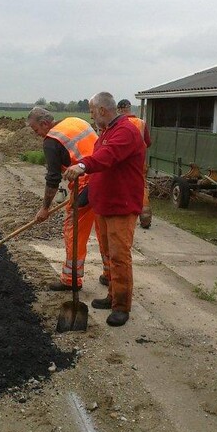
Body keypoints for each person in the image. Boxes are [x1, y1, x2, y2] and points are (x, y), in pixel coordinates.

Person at [64, 92, 145, 327]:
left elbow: (107, 158)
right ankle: (112, 295)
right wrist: (88, 192)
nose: (91, 116)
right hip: (105, 203)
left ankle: (122, 306)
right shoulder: (107, 132)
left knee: (120, 257)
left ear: (101, 110)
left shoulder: (125, 131)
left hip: (121, 205)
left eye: (91, 111)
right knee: (109, 255)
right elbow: (101, 159)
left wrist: (82, 165)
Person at [27, 107, 98, 291]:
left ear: (44, 124)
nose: (37, 135)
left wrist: (44, 208)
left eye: (36, 130)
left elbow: (53, 179)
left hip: (87, 184)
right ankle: (109, 274)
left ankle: (71, 279)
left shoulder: (52, 140)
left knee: (73, 230)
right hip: (105, 178)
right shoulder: (75, 121)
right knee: (104, 230)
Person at [117, 98, 153, 229]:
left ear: (119, 109)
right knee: (141, 188)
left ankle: (123, 214)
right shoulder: (141, 123)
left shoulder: (118, 123)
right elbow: (148, 143)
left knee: (121, 187)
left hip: (121, 164)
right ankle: (145, 218)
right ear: (129, 108)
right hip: (139, 163)